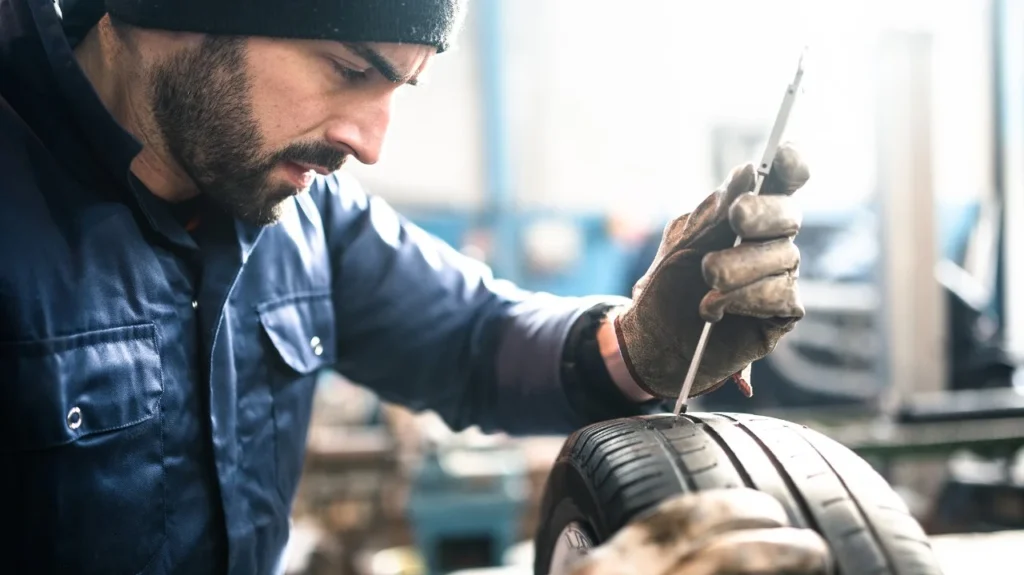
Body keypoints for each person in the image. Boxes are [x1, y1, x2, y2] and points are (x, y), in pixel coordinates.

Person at [0, 0, 825, 573]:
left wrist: (640, 344)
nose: (370, 143)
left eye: (399, 86)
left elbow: (472, 339)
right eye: (346, 68)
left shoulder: (304, 214)